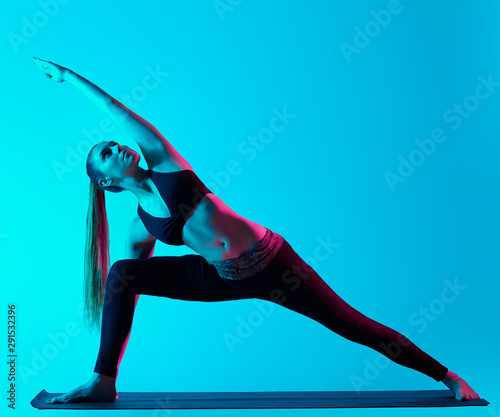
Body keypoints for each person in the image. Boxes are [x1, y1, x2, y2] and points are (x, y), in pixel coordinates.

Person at [33, 57, 480, 403]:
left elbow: (117, 109)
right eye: (107, 154)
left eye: (114, 143)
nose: (118, 147)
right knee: (121, 274)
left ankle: (448, 376)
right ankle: (102, 381)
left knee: (351, 324)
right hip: (221, 278)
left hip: (273, 264)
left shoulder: (165, 164)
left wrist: (68, 77)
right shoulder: (138, 227)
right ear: (106, 183)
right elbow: (125, 297)